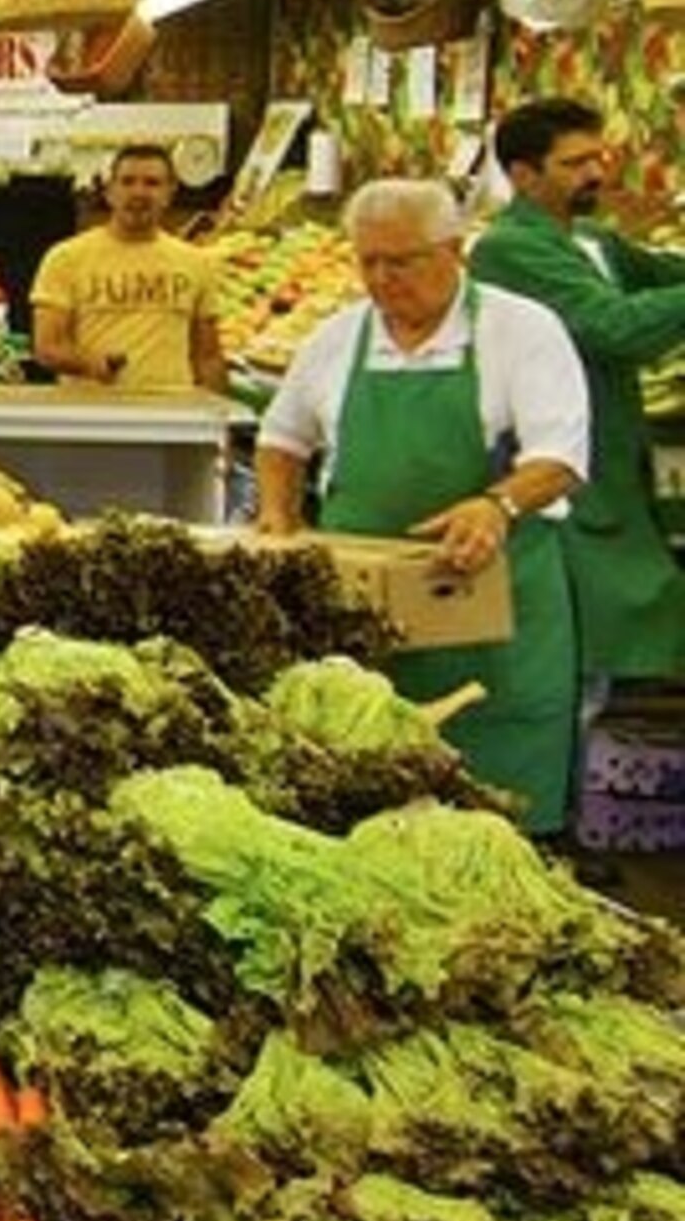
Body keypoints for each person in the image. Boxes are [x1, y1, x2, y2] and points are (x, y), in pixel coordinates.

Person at [252, 178, 589, 833]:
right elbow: (281, 437)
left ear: (453, 251)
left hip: (492, 609)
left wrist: (495, 506)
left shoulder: (522, 331)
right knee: (365, 791)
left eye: (400, 261)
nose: (382, 279)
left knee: (491, 809)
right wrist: (276, 518)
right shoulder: (337, 338)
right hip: (363, 616)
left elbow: (561, 458)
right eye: (368, 262)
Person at [465, 96, 685, 707]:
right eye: (574, 163)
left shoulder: (591, 240)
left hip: (613, 465)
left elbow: (662, 275)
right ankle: (557, 790)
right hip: (555, 476)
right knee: (571, 650)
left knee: (605, 649)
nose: (595, 174)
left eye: (598, 157)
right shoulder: (507, 249)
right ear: (523, 174)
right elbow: (614, 325)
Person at [29, 144, 227, 391]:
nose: (139, 192)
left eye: (152, 183)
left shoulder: (196, 262)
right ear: (109, 191)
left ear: (169, 193)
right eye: (127, 181)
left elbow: (208, 357)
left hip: (172, 415)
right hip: (92, 413)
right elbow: (47, 347)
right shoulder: (66, 258)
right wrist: (90, 364)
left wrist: (219, 416)